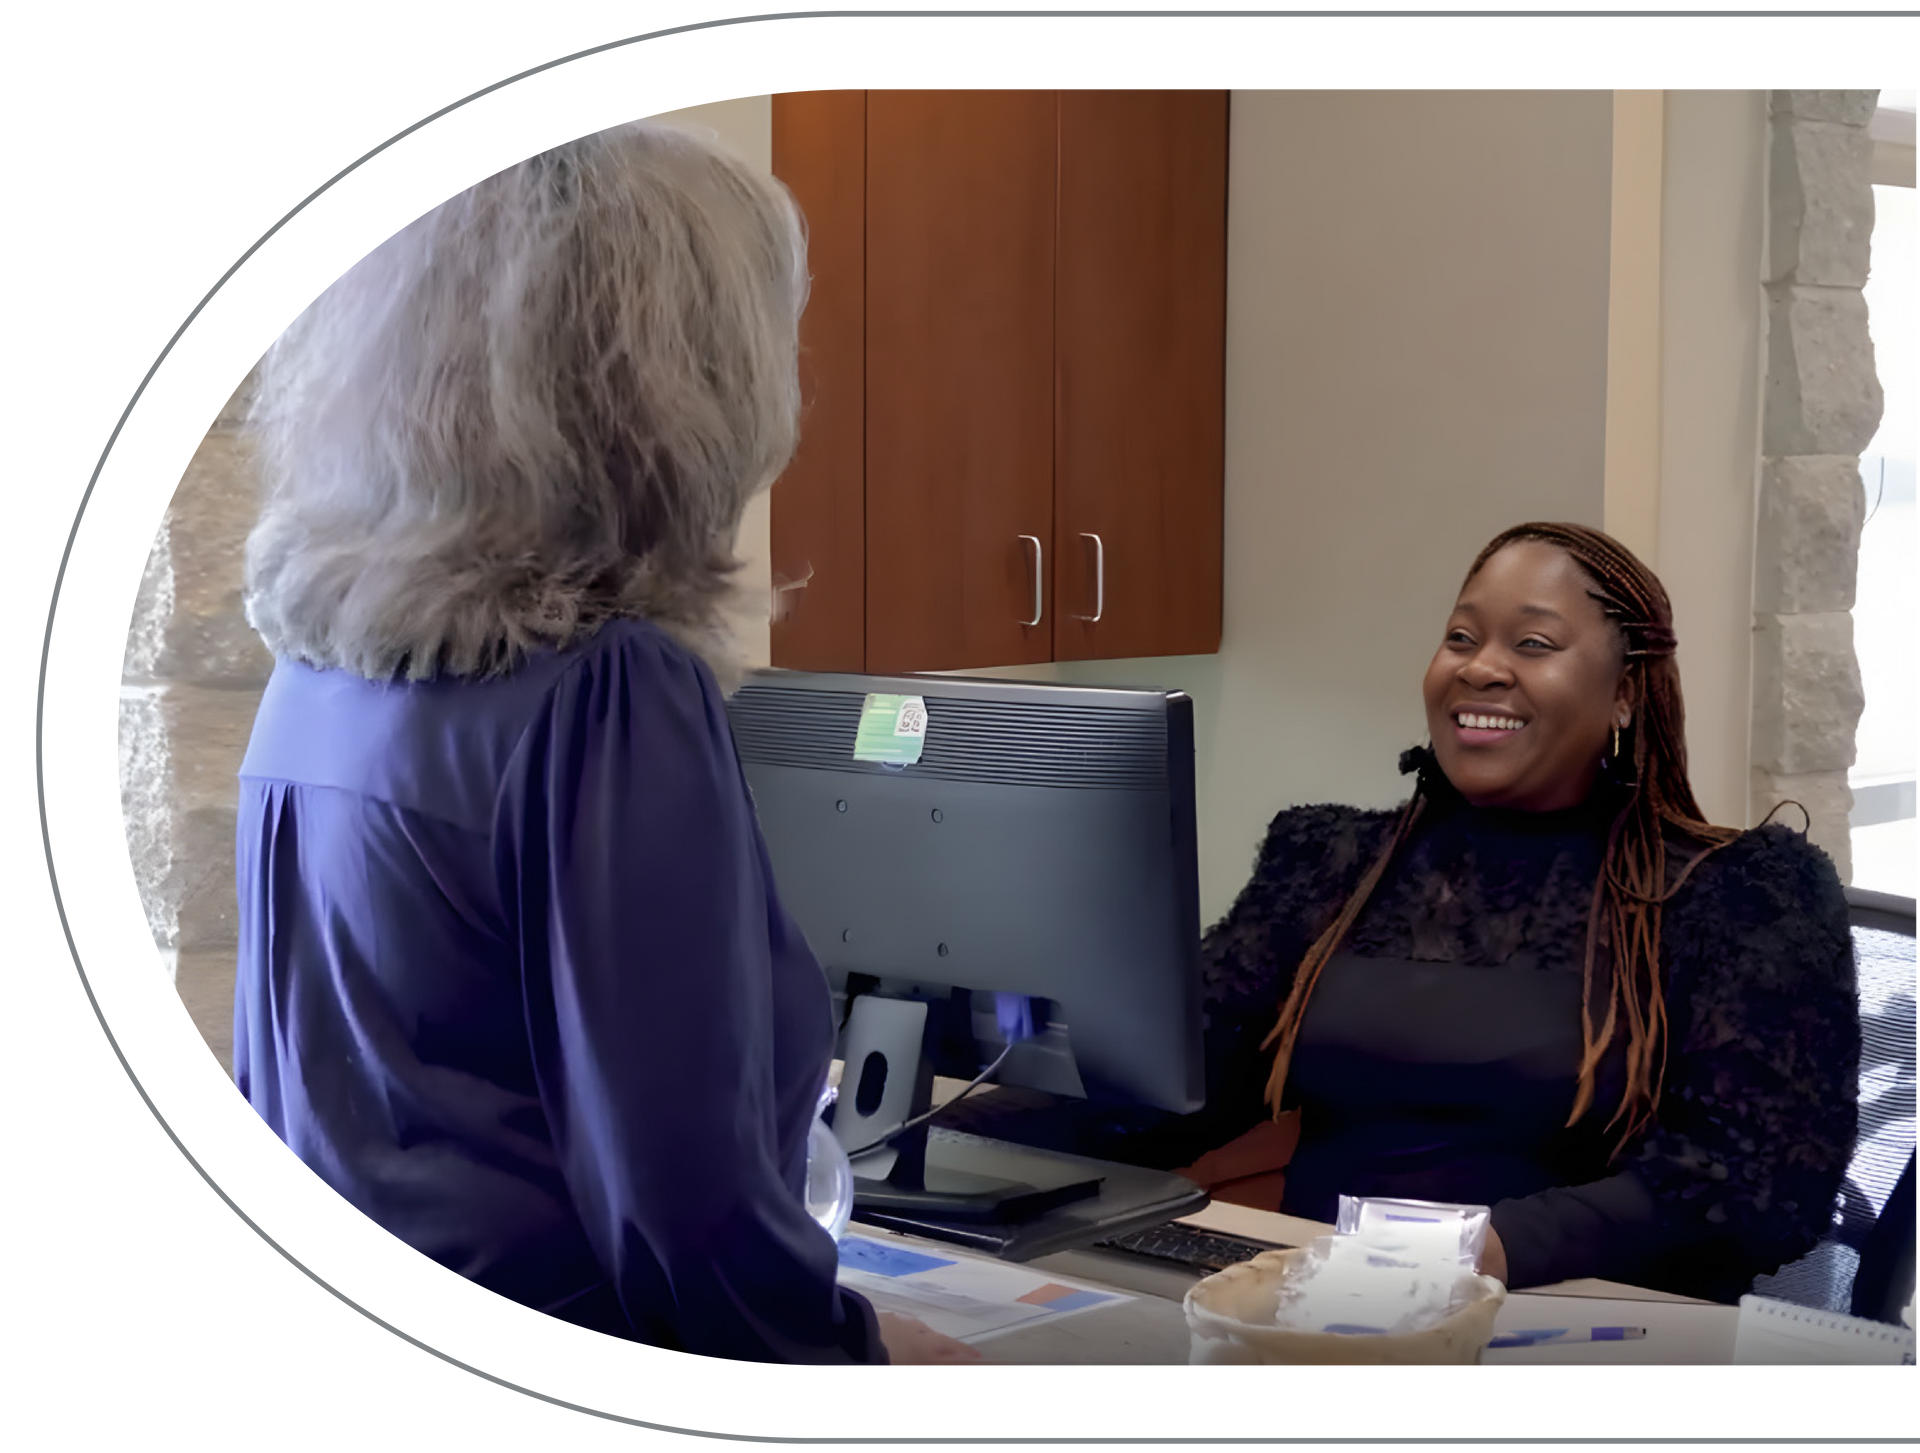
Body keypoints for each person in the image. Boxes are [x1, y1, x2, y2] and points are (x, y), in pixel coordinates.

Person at [231, 120, 979, 1366]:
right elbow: (688, 1203)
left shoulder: (315, 669)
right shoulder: (607, 690)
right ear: (674, 375)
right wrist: (862, 1355)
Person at [1067, 522, 1861, 1303]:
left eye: (1533, 644)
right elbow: (1181, 1093)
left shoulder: (1740, 892)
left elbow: (1763, 1182)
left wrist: (1473, 1251)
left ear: (1625, 692)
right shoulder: (1331, 862)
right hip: (1322, 1315)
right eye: (1460, 637)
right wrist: (1004, 1074)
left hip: (1588, 1322)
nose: (1481, 667)